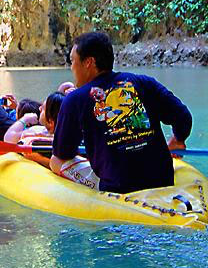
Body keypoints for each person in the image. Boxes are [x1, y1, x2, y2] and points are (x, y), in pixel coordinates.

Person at [50, 31, 191, 193]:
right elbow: (183, 117)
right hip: (162, 179)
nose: (71, 67)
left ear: (89, 62)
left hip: (117, 187)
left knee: (55, 161)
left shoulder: (74, 99)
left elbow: (62, 152)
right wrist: (178, 139)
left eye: (73, 61)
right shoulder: (145, 82)